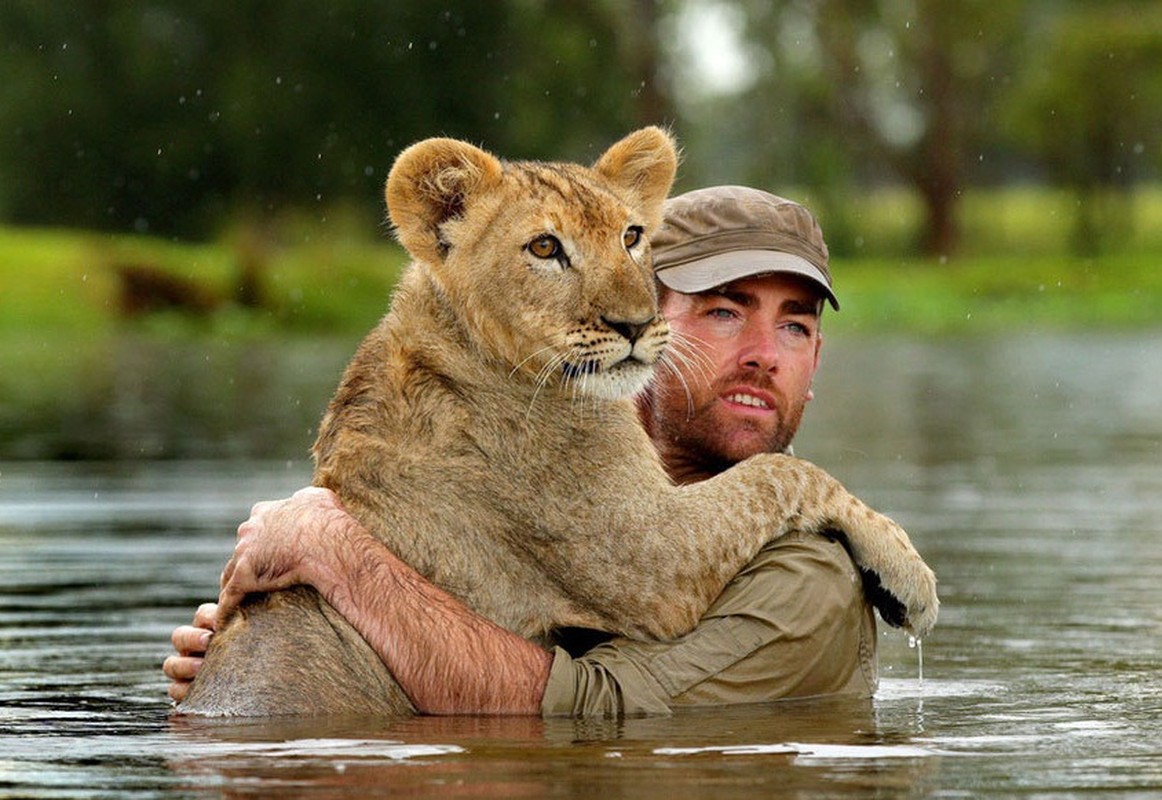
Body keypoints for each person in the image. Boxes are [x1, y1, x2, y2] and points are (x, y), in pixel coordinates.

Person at [165, 185, 879, 716]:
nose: (764, 356)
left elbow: (593, 717)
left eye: (795, 327)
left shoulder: (810, 577)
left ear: (816, 364)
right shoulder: (551, 507)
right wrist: (253, 650)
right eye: (724, 311)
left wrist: (338, 556)